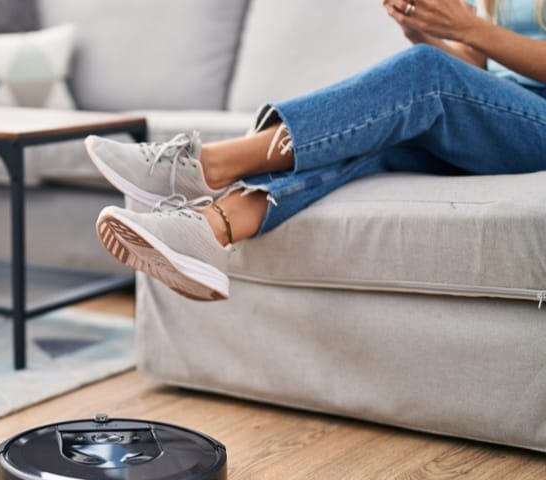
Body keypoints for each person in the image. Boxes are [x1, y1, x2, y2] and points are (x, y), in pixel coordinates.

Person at [86, 0, 546, 302]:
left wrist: (463, 31)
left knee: (423, 74)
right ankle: (208, 231)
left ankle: (207, 165)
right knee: (374, 128)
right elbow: (475, 75)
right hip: (491, 124)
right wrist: (425, 33)